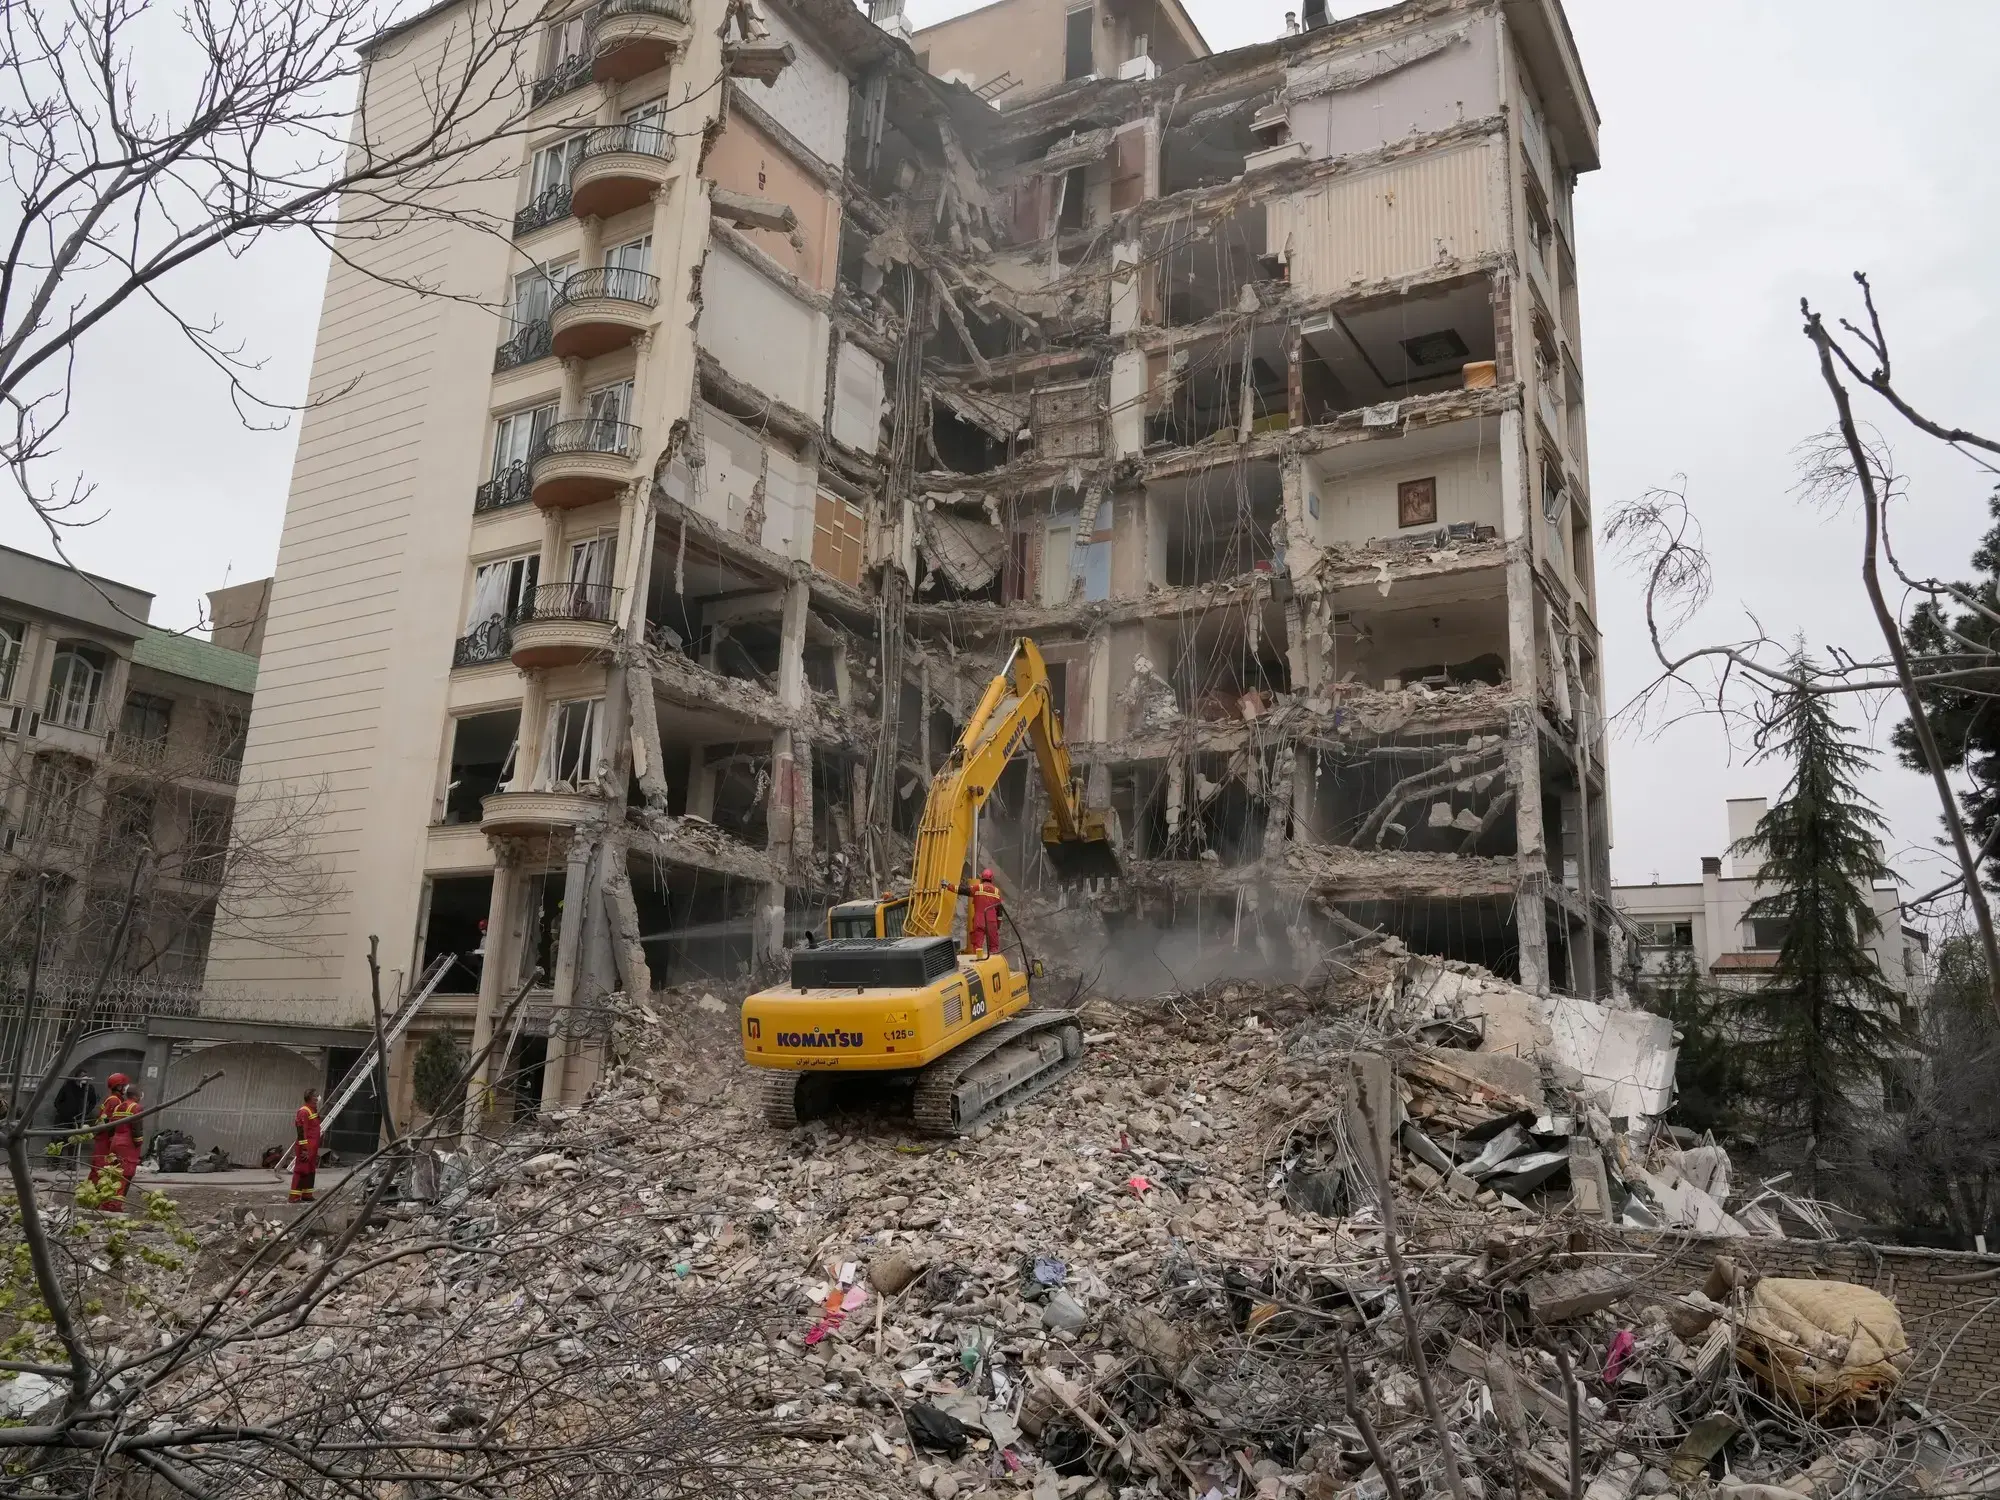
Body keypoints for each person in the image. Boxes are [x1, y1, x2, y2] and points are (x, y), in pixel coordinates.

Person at [88, 1076, 140, 1212]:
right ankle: (98, 1201)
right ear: (118, 1086)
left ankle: (93, 1199)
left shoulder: (111, 1100)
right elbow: (109, 1123)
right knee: (102, 1171)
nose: (124, 1088)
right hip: (106, 1140)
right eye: (123, 1086)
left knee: (101, 1171)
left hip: (107, 1139)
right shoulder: (115, 1101)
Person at [940, 868, 1004, 958]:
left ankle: (978, 962)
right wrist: (998, 925)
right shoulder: (997, 892)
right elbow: (1000, 913)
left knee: (978, 946)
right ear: (991, 879)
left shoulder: (978, 888)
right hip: (992, 922)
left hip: (979, 920)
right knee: (994, 947)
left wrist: (948, 885)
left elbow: (962, 890)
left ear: (981, 878)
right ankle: (995, 963)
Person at [53, 1070, 97, 1161]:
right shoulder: (68, 1086)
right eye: (82, 1076)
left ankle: (71, 1163)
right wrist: (64, 1111)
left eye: (86, 1076)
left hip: (78, 1119)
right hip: (63, 1119)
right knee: (58, 1140)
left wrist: (85, 1112)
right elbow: (57, 1102)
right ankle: (54, 1163)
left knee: (74, 1141)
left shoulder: (89, 1088)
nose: (84, 1078)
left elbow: (93, 1102)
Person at [290, 1088, 321, 1203]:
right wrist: (304, 1149)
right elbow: (301, 1131)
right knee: (301, 1170)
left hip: (312, 1148)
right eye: (316, 1095)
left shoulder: (312, 1110)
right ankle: (294, 1196)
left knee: (310, 1170)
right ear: (310, 1097)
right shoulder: (304, 1111)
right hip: (305, 1148)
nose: (318, 1097)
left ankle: (307, 1194)